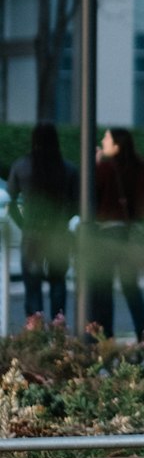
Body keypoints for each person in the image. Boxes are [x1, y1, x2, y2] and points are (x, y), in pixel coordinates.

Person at [92, 127, 144, 340]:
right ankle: (143, 328)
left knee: (104, 284)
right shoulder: (139, 167)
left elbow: (90, 194)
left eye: (106, 138)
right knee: (130, 284)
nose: (103, 140)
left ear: (116, 145)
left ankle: (105, 333)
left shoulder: (104, 168)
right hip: (132, 234)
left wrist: (96, 164)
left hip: (107, 234)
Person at [7, 122, 79, 320]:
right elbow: (77, 204)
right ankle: (58, 328)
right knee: (58, 284)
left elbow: (10, 202)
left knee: (32, 286)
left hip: (32, 234)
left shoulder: (21, 166)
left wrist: (23, 224)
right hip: (58, 233)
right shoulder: (68, 169)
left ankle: (35, 329)